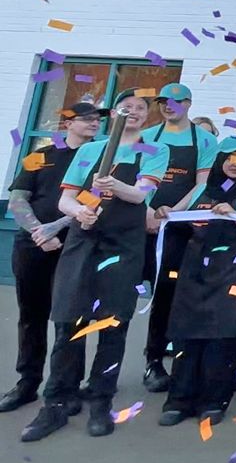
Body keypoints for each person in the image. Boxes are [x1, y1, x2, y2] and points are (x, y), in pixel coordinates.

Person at [21, 90, 168, 442]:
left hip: (124, 246)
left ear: (147, 116)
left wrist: (114, 184)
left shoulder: (155, 150)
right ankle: (56, 402)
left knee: (113, 324)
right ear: (113, 114)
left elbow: (139, 194)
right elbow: (65, 198)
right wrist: (79, 212)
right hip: (83, 243)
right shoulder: (88, 151)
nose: (132, 112)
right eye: (125, 107)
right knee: (69, 321)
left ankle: (101, 398)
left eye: (139, 108)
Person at [0, 102, 103, 413]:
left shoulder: (99, 159)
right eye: (86, 119)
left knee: (71, 319)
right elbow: (17, 200)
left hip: (75, 247)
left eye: (97, 120)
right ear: (67, 122)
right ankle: (27, 383)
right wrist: (38, 233)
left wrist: (53, 230)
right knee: (31, 318)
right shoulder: (40, 156)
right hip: (32, 248)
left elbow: (91, 203)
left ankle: (66, 386)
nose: (94, 124)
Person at [158, 137, 236, 427]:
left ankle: (214, 402)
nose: (234, 163)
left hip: (234, 272)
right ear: (219, 159)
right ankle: (178, 401)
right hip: (194, 272)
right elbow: (173, 214)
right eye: (229, 157)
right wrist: (165, 211)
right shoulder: (203, 188)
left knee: (223, 339)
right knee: (186, 335)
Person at [142, 82, 219, 393]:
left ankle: (169, 360)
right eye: (163, 102)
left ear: (188, 103)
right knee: (139, 295)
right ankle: (138, 363)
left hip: (181, 229)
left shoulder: (205, 140)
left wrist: (174, 212)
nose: (167, 106)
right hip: (142, 226)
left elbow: (203, 183)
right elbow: (135, 178)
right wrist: (147, 211)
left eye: (174, 102)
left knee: (172, 294)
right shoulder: (147, 137)